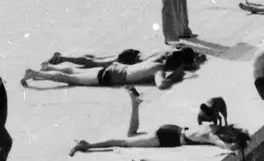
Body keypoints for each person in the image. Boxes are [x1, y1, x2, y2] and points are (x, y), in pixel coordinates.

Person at [70, 89, 249, 155]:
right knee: (123, 142)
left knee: (131, 135)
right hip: (167, 138)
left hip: (172, 128)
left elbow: (218, 112)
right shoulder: (213, 133)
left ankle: (135, 104)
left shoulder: (212, 125)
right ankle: (87, 145)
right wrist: (232, 147)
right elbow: (222, 144)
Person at [23, 47, 198, 89]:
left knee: (75, 71)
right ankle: (35, 73)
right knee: (71, 79)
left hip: (117, 67)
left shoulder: (159, 59)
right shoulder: (159, 69)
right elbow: (161, 85)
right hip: (113, 75)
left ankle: (47, 68)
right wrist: (177, 77)